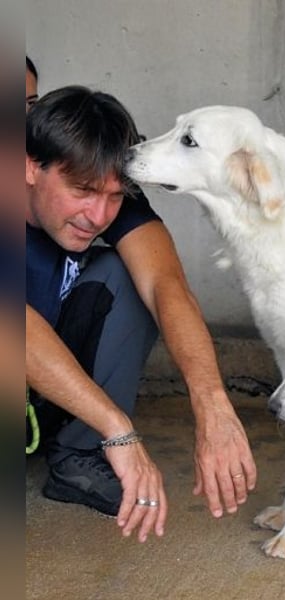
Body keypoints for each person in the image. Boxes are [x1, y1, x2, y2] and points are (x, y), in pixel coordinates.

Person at [25, 58, 257, 541]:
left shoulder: (96, 175)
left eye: (112, 195)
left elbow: (165, 284)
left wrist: (213, 405)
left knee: (125, 274)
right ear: (30, 166)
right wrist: (120, 429)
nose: (98, 214)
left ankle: (78, 458)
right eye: (83, 192)